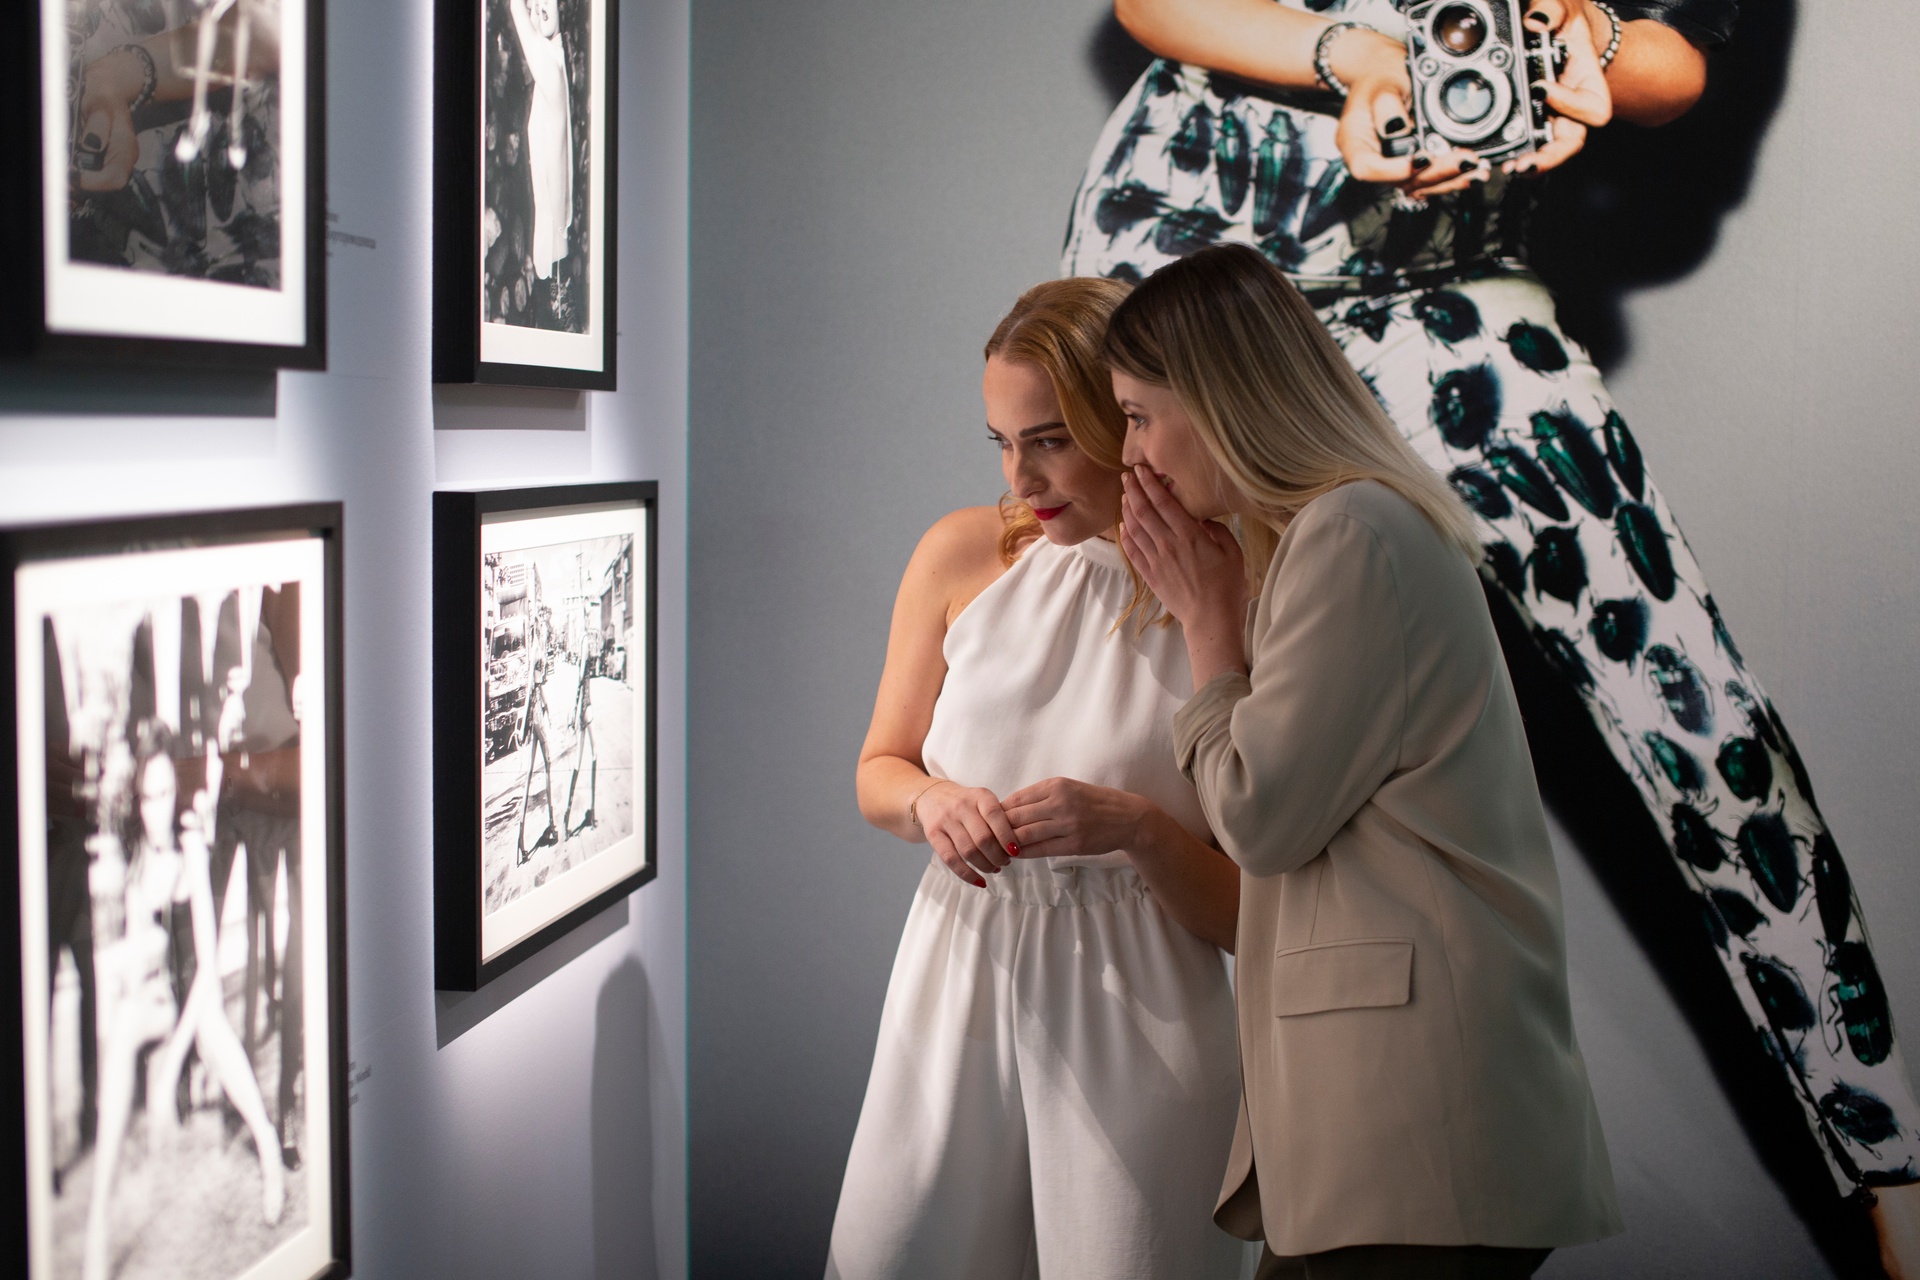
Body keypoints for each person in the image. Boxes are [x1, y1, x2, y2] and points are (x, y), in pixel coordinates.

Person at [1061, 0, 1920, 1265]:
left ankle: (1883, 1176)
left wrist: (1594, 66)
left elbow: (1679, 55)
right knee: (1127, 689)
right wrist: (1356, 56)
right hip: (1197, 247)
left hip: (1444, 278)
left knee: (1705, 729)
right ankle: (1124, 1187)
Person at [1111, 243, 1618, 1278]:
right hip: (1401, 1123)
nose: (1135, 460)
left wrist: (1210, 624)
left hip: (1415, 1119)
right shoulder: (1336, 529)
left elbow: (1258, 814)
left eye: (1136, 414)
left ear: (1218, 400)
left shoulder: (1351, 533)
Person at [826, 278, 1244, 1280]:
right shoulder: (960, 553)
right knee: (894, 1255)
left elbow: (1248, 907)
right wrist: (932, 798)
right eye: (1002, 442)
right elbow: (879, 769)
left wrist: (1140, 827)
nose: (1022, 477)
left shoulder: (1225, 585)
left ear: (1129, 417)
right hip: (956, 972)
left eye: (1051, 438)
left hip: (1140, 1003)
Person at [86, 721, 284, 1280]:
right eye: (147, 797)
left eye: (165, 794)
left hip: (197, 994)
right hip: (158, 995)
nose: (155, 809)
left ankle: (267, 1145)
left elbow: (207, 962)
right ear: (136, 800)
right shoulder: (134, 863)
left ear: (176, 793)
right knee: (123, 1034)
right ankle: (99, 1229)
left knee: (215, 1034)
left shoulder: (192, 850)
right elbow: (132, 956)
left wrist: (173, 1058)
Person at [505, 0, 575, 283]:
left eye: (548, 1)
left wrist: (523, 10)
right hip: (553, 253)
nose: (541, 6)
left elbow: (516, 12)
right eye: (535, 3)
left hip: (555, 260)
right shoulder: (552, 64)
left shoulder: (550, 66)